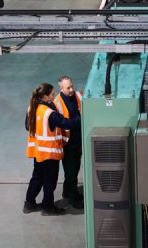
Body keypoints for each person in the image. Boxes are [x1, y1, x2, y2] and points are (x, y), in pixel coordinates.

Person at [24, 83, 81, 216]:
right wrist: (80, 116)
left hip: (38, 151)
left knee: (37, 177)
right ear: (45, 97)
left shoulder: (31, 108)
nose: (54, 96)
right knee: (50, 181)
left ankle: (29, 204)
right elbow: (68, 124)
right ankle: (48, 207)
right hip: (49, 153)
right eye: (52, 94)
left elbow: (28, 126)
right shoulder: (50, 114)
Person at [54, 75, 84, 209]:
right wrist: (79, 120)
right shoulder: (57, 103)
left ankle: (67, 191)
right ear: (61, 89)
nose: (71, 89)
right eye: (68, 88)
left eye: (72, 86)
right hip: (67, 143)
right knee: (71, 171)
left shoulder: (78, 95)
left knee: (75, 167)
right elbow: (64, 123)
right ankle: (73, 197)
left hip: (78, 140)